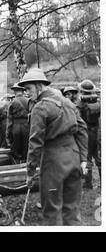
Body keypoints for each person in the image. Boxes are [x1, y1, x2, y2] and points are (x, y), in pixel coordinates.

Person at [19, 68, 88, 225]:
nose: (26, 93)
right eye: (24, 90)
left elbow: (35, 143)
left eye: (28, 88)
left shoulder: (40, 107)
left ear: (39, 86)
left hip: (53, 162)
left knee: (51, 211)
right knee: (72, 209)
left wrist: (30, 172)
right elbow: (82, 129)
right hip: (74, 158)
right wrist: (83, 158)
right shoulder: (68, 102)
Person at [76, 79, 101, 188]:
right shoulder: (97, 101)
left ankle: (88, 183)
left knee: (87, 157)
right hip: (97, 131)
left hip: (86, 132)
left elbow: (78, 119)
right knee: (98, 157)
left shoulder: (81, 103)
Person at [6, 83, 30, 162]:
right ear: (23, 91)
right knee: (26, 147)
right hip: (27, 126)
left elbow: (9, 120)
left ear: (15, 91)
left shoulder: (12, 102)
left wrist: (8, 136)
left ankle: (17, 164)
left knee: (16, 148)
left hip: (15, 127)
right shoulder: (29, 101)